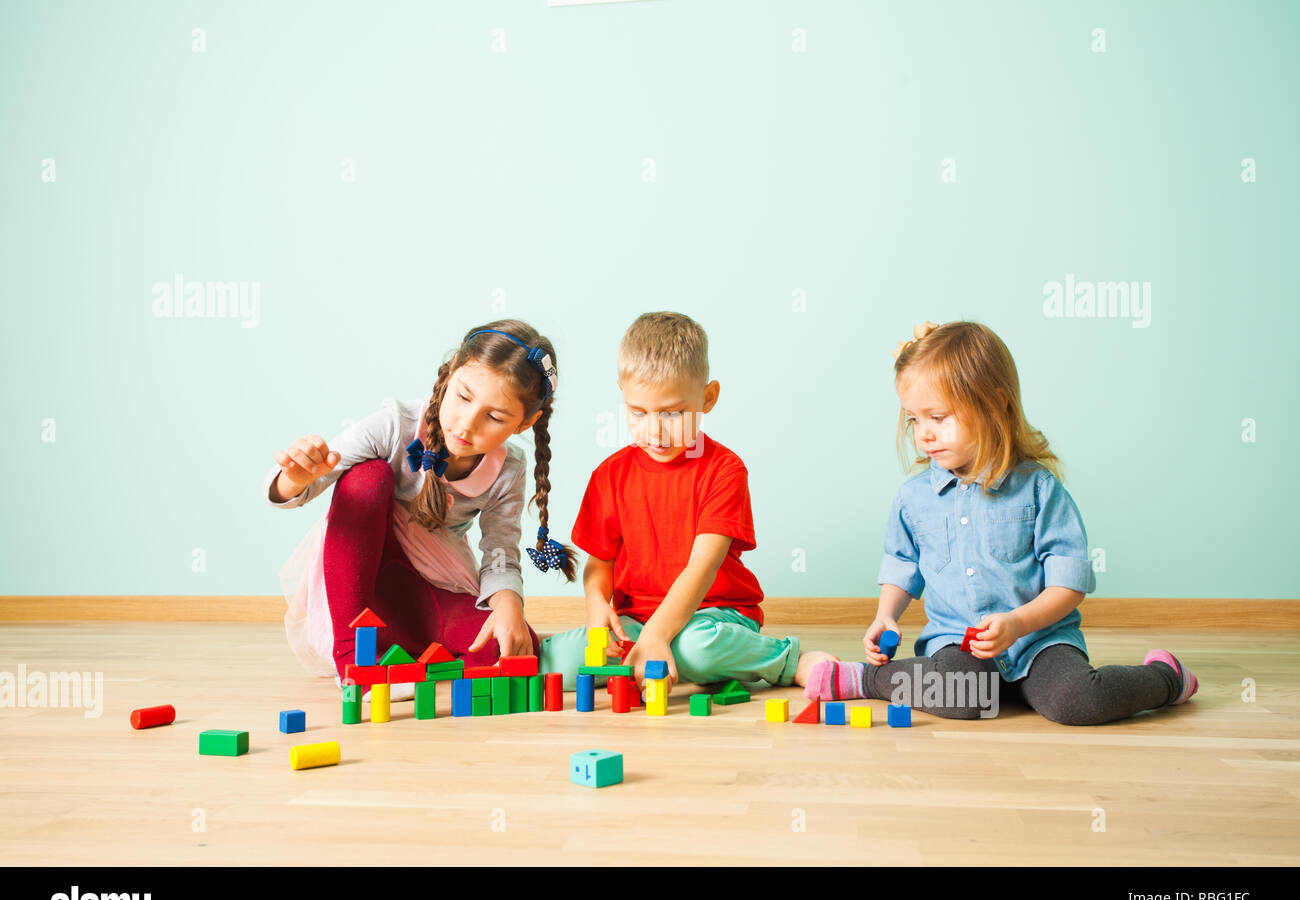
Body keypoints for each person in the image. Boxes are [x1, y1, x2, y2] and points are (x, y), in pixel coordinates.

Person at [804, 320, 1198, 724]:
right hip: (959, 644)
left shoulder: (1038, 488)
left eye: (938, 417)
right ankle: (869, 679)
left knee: (1079, 702)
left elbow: (1068, 582)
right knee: (964, 698)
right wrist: (886, 615)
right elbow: (903, 564)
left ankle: (1165, 677)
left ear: (994, 404)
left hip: (1039, 641)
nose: (924, 435)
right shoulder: (913, 498)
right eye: (914, 420)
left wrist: (1018, 623)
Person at [264, 320, 576, 698]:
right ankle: (354, 660)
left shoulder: (507, 469)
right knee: (367, 478)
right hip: (358, 584)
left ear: (526, 422)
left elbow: (500, 552)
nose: (467, 423)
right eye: (463, 397)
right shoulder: (395, 425)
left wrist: (509, 605)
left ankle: (408, 653)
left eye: (494, 417)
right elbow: (311, 481)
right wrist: (295, 476)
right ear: (451, 373)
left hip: (428, 586)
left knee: (511, 640)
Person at [538, 311, 837, 695]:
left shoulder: (724, 470)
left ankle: (787, 660)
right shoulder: (609, 475)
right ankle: (650, 651)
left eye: (673, 413)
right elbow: (600, 562)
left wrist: (660, 635)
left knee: (695, 649)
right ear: (623, 395)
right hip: (637, 621)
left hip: (712, 616)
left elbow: (703, 565)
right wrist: (597, 607)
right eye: (638, 412)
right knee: (555, 664)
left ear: (708, 397)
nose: (654, 430)